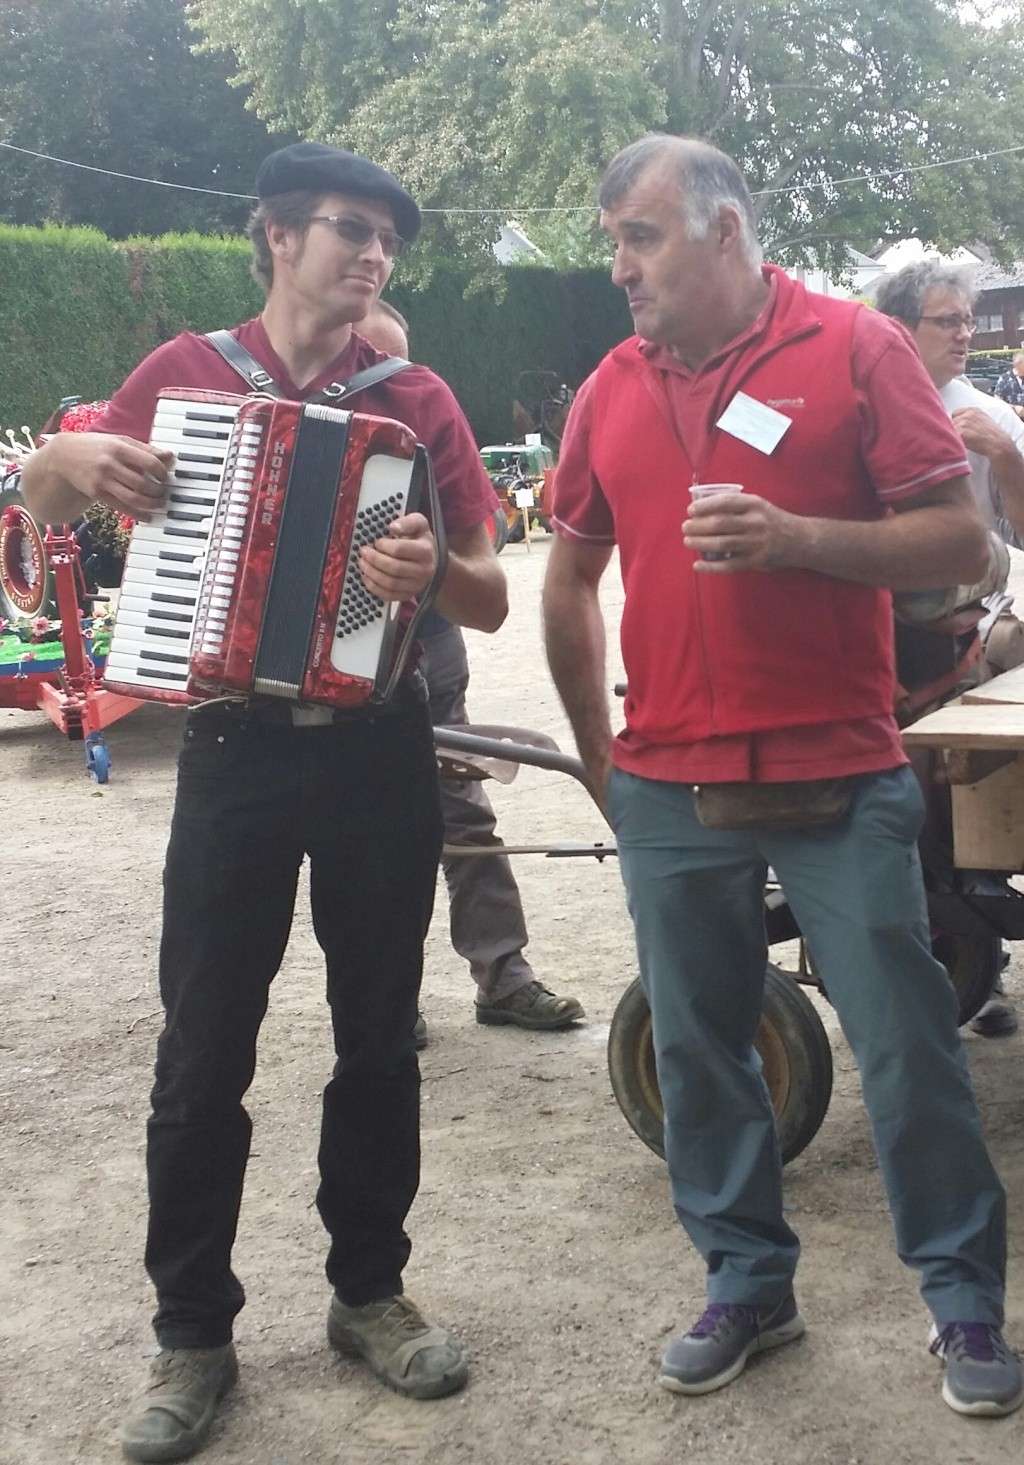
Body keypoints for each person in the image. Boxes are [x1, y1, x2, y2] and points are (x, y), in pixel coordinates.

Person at [22, 142, 508, 1463]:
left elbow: (491, 589)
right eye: (350, 232)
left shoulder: (417, 398)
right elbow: (43, 489)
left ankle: (369, 1292)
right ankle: (193, 1334)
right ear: (278, 238)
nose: (372, 257)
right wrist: (85, 461)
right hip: (232, 745)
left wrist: (423, 576)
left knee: (379, 1034)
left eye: (387, 242)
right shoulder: (186, 375)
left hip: (377, 750)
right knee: (203, 1049)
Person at [542, 133, 1022, 1417]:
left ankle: (962, 1301)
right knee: (699, 1048)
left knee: (908, 1043)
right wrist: (601, 760)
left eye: (639, 237)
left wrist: (798, 539)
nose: (620, 267)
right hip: (669, 785)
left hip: (838, 766)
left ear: (727, 231)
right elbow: (572, 577)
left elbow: (964, 543)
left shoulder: (854, 350)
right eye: (612, 243)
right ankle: (747, 1279)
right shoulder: (610, 386)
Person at [360, 298, 584, 1039]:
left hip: (429, 651)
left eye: (394, 366)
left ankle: (504, 976)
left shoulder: (430, 432)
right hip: (334, 677)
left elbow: (485, 565)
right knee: (366, 835)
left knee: (462, 811)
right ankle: (388, 996)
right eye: (363, 362)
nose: (380, 379)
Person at [876, 261, 1024, 1039]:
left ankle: (975, 950)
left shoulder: (989, 415)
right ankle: (948, 951)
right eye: (948, 320)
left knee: (967, 764)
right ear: (902, 327)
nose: (966, 332)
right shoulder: (861, 406)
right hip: (884, 635)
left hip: (975, 627)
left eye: (969, 319)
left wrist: (1005, 458)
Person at [994, 351, 1024, 421]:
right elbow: (997, 401)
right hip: (1011, 420)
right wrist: (1014, 408)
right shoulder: (1004, 379)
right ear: (1016, 366)